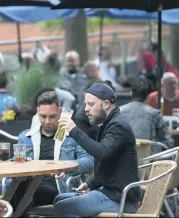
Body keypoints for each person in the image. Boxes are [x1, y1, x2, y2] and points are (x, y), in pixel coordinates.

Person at [54, 83, 141, 217]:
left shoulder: (118, 125)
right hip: (111, 194)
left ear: (106, 104)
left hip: (122, 200)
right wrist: (90, 184)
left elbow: (102, 152)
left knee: (62, 207)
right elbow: (109, 164)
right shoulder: (109, 124)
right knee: (59, 199)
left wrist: (73, 130)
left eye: (90, 104)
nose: (85, 110)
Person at [13, 91, 93, 207]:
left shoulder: (73, 136)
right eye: (43, 116)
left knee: (20, 194)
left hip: (59, 187)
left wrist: (64, 167)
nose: (47, 121)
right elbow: (16, 163)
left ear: (60, 112)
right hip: (30, 185)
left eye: (52, 116)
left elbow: (89, 161)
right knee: (15, 189)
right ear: (37, 112)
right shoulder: (25, 137)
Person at [120, 76, 174, 148]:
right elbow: (167, 141)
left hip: (124, 157)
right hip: (149, 158)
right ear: (149, 95)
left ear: (131, 92)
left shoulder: (119, 111)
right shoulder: (154, 113)